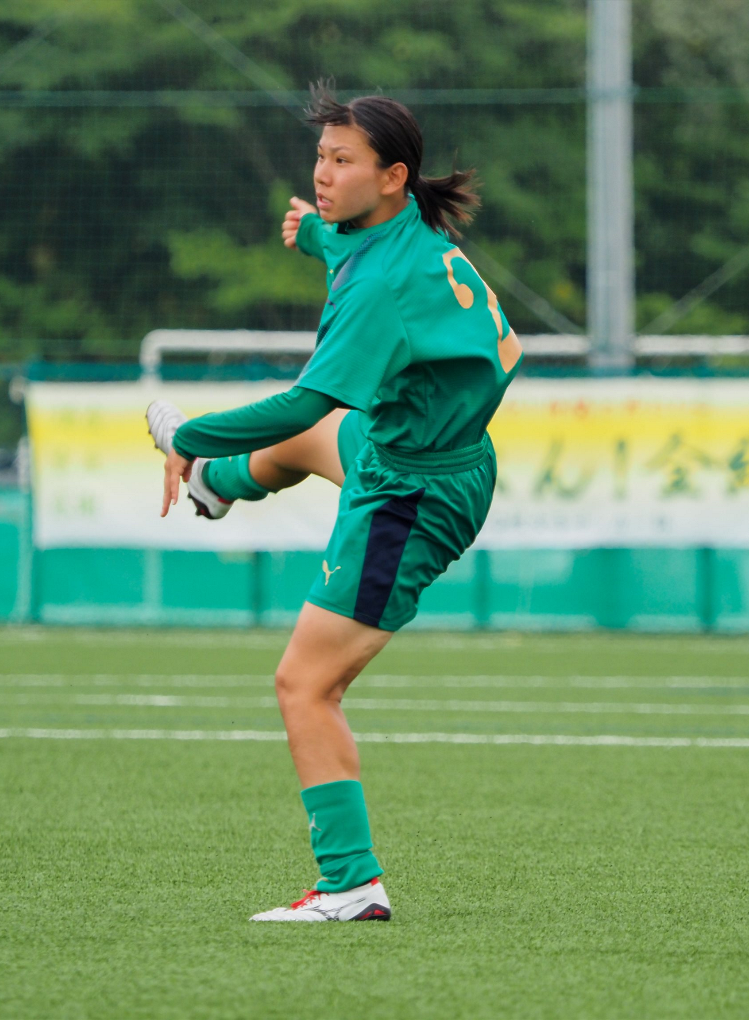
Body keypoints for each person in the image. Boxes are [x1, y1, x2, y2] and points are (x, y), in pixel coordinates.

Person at [145, 86, 522, 921]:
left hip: (409, 497)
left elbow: (304, 400)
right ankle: (217, 490)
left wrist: (192, 433)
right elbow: (487, 334)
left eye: (341, 160)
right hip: (426, 454)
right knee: (296, 452)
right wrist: (313, 233)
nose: (322, 173)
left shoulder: (380, 281)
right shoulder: (406, 234)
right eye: (319, 156)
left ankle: (349, 882)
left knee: (304, 684)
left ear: (393, 176)